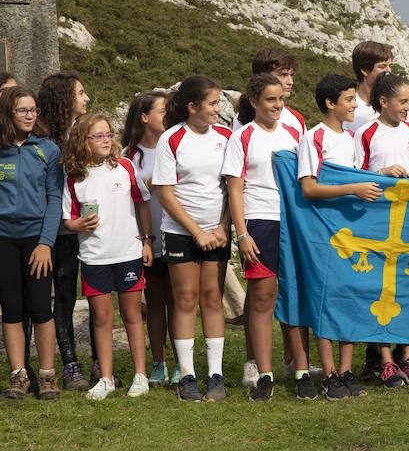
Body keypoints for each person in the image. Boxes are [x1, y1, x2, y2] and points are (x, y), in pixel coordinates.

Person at [298, 74, 381, 400]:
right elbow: (309, 187)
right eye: (349, 99)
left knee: (348, 296)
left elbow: (361, 178)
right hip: (323, 231)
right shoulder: (314, 138)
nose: (355, 105)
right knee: (326, 300)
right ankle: (329, 372)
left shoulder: (350, 139)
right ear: (330, 103)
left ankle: (346, 370)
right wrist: (353, 188)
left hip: (351, 230)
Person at [223, 74, 303, 402]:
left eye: (280, 100)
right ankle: (264, 373)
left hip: (293, 220)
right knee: (262, 297)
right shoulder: (242, 137)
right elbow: (234, 187)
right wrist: (241, 234)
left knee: (294, 295)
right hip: (259, 221)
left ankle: (300, 369)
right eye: (270, 100)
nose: (277, 106)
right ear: (254, 102)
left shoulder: (295, 132)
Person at [62, 113, 154, 400]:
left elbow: (142, 204)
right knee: (101, 317)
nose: (106, 140)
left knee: (132, 314)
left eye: (108, 134)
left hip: (128, 252)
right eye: (98, 136)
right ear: (83, 141)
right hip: (94, 257)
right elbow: (68, 219)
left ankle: (140, 375)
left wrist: (147, 241)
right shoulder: (74, 178)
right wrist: (76, 225)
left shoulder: (125, 167)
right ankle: (105, 378)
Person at [153, 75, 232, 402]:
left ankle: (216, 374)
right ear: (192, 106)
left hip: (217, 232)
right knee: (185, 299)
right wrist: (196, 231)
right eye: (212, 104)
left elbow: (233, 187)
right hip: (180, 232)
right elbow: (166, 193)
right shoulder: (171, 139)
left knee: (213, 298)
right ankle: (187, 375)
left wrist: (223, 228)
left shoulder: (227, 137)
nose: (217, 109)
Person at [354, 72, 409, 388]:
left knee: (407, 286)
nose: (407, 107)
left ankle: (408, 354)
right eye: (403, 101)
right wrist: (382, 173)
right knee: (380, 287)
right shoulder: (366, 133)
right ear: (383, 102)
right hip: (377, 221)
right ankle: (384, 360)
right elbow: (353, 173)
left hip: (408, 219)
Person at [0, 86, 61, 400]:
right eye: (23, 110)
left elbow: (54, 200)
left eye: (33, 110)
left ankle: (48, 375)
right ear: (9, 113)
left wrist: (45, 242)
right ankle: (19, 374)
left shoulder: (47, 149)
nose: (29, 116)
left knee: (40, 308)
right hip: (4, 240)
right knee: (11, 309)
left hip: (37, 240)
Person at [37, 72, 92, 390]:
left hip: (89, 229)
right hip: (60, 233)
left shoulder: (86, 134)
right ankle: (70, 362)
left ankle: (99, 359)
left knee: (97, 295)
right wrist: (62, 224)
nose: (86, 98)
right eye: (81, 93)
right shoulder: (47, 144)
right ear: (65, 99)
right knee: (64, 296)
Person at [122, 91, 177, 388]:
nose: (167, 116)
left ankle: (183, 362)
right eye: (162, 111)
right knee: (155, 303)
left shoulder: (176, 145)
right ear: (144, 117)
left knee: (179, 302)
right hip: (148, 239)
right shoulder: (128, 155)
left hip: (177, 235)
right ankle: (158, 363)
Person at [344, 41, 394, 132]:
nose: (388, 71)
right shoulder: (348, 108)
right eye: (382, 66)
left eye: (390, 66)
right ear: (364, 70)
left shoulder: (402, 105)